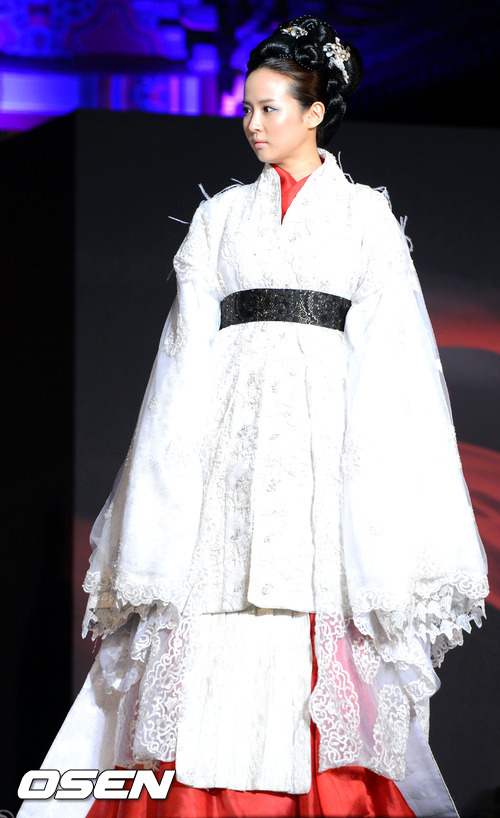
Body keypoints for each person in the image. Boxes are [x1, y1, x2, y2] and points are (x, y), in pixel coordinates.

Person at [17, 15, 488, 818]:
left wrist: (378, 483)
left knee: (314, 607)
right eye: (247, 108)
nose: (253, 123)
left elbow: (397, 360)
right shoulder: (221, 218)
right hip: (227, 445)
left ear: (315, 113)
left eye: (271, 108)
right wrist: (169, 475)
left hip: (325, 444)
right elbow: (180, 357)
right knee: (215, 597)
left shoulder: (364, 217)